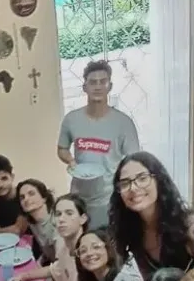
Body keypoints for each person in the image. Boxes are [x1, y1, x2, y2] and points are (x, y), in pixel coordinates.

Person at [57, 60, 140, 229]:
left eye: (103, 82)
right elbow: (62, 149)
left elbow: (134, 161)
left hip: (108, 198)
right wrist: (71, 161)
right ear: (84, 87)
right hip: (78, 197)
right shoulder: (71, 119)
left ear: (110, 86)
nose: (98, 87)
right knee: (79, 239)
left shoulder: (124, 123)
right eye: (92, 82)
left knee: (105, 241)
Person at [109, 151, 194, 278]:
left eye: (142, 178)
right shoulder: (129, 234)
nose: (133, 188)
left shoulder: (188, 225)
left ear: (159, 180)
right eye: (125, 183)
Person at [11, 194, 87, 281]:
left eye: (69, 213)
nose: (61, 219)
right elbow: (53, 269)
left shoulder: (85, 256)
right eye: (58, 214)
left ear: (83, 219)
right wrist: (23, 276)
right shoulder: (65, 249)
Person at [0, 155, 28, 237]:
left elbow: (18, 230)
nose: (0, 185)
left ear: (12, 177)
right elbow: (4, 234)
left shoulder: (24, 195)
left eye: (4, 178)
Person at [17, 179, 58, 264]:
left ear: (44, 198)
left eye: (31, 194)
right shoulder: (33, 223)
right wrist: (38, 262)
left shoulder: (56, 221)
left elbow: (62, 263)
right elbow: (48, 252)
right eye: (22, 197)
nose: (26, 199)